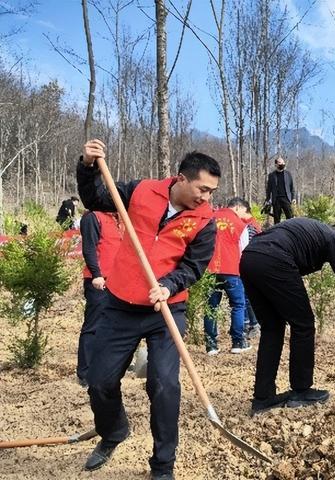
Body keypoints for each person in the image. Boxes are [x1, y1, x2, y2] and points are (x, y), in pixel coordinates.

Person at [77, 139, 220, 480]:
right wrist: (87, 166)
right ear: (181, 178)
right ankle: (113, 431)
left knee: (164, 385)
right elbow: (95, 198)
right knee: (99, 381)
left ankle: (162, 466)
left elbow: (194, 266)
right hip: (120, 304)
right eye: (202, 188)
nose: (206, 197)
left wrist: (170, 284)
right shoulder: (141, 191)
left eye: (212, 191)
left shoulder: (205, 220)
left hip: (166, 311)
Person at [240, 217, 335, 414]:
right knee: (303, 324)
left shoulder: (310, 231)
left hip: (249, 258)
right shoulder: (333, 237)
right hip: (275, 259)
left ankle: (263, 398)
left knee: (272, 328)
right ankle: (301, 390)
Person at [77, 210, 124, 387]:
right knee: (94, 325)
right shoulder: (93, 217)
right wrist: (96, 274)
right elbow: (89, 247)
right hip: (99, 281)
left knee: (116, 325)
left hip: (119, 280)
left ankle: (109, 366)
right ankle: (85, 372)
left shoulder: (121, 217)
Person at [204, 197, 251, 355]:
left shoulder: (210, 218)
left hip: (210, 270)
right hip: (231, 269)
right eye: (244, 211)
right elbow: (244, 249)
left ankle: (211, 345)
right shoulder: (240, 224)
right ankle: (238, 342)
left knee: (211, 307)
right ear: (237, 207)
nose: (244, 215)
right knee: (238, 305)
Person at [239, 199, 261, 338]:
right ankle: (249, 324)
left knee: (248, 297)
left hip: (249, 264)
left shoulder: (250, 226)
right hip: (251, 264)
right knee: (246, 297)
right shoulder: (251, 224)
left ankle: (254, 324)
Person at [265, 156, 295, 223]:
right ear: (276, 164)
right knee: (277, 219)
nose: (282, 164)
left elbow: (292, 187)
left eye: (283, 163)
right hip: (276, 200)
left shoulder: (288, 174)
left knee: (290, 217)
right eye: (280, 163)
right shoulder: (271, 175)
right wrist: (267, 199)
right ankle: (278, 232)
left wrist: (293, 198)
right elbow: (269, 189)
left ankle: (290, 232)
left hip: (286, 198)